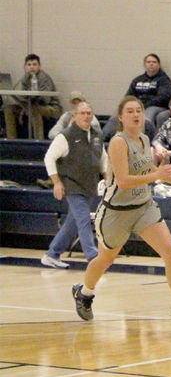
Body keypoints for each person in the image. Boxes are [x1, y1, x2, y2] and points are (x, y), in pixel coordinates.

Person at [71, 96, 171, 324]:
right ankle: (84, 293)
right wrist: (157, 176)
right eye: (130, 111)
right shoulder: (118, 142)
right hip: (116, 211)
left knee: (170, 253)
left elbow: (147, 168)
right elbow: (123, 180)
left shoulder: (143, 138)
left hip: (143, 208)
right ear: (121, 117)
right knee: (105, 260)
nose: (136, 114)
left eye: (139, 110)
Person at [40, 100, 106, 269]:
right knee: (83, 219)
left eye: (89, 113)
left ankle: (52, 254)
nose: (86, 116)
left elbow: (103, 158)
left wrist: (107, 177)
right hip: (72, 184)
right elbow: (49, 158)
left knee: (73, 222)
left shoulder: (97, 134)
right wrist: (56, 182)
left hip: (90, 184)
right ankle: (93, 259)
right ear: (74, 116)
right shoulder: (65, 136)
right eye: (82, 113)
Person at [3, 53, 62, 139]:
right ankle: (11, 140)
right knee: (8, 108)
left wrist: (31, 100)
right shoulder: (25, 78)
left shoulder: (44, 78)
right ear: (25, 66)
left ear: (39, 66)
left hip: (51, 107)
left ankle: (38, 141)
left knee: (35, 109)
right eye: (29, 65)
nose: (32, 67)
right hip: (30, 106)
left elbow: (46, 100)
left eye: (34, 64)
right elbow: (23, 96)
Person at [123, 53, 171, 124]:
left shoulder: (164, 80)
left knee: (148, 114)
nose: (151, 64)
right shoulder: (137, 80)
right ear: (144, 65)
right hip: (137, 106)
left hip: (155, 107)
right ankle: (108, 134)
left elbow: (163, 98)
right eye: (148, 62)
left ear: (159, 65)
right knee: (119, 113)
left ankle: (145, 134)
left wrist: (144, 105)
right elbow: (129, 95)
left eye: (154, 62)